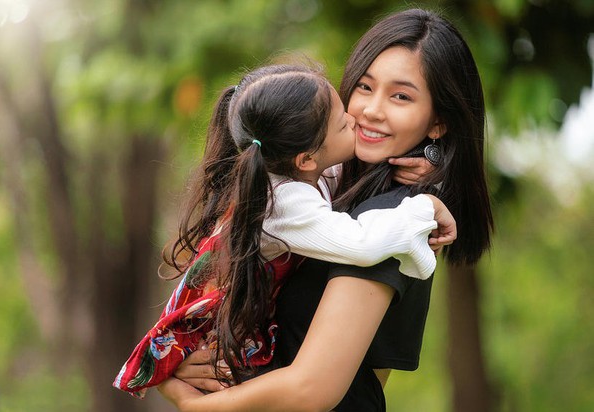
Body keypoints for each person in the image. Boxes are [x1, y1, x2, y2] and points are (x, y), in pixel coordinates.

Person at [157, 7, 494, 411]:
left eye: (401, 96)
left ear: (437, 122)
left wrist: (189, 401)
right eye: (365, 87)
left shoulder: (394, 218)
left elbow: (312, 390)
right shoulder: (320, 190)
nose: (371, 109)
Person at [113, 63, 456, 398]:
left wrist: (429, 159)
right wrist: (424, 208)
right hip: (213, 336)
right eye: (343, 124)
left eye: (400, 96)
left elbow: (339, 177)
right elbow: (361, 242)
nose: (358, 118)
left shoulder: (298, 172)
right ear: (306, 159)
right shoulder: (285, 201)